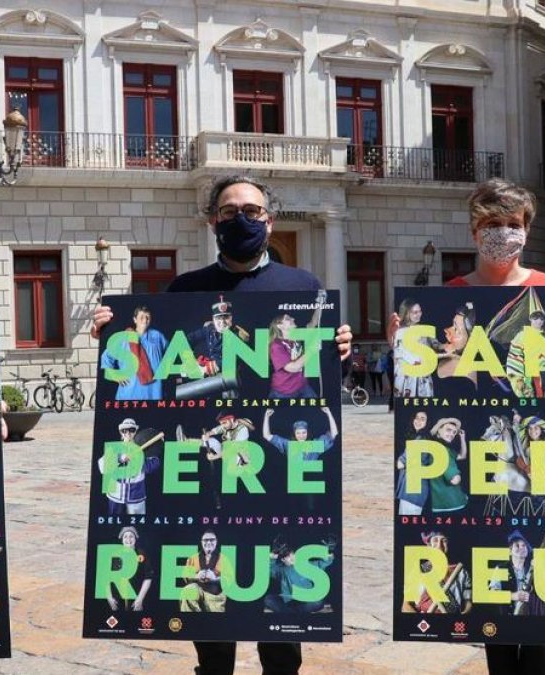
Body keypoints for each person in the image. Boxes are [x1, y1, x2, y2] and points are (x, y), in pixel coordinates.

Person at [91, 175, 353, 675]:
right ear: (213, 221)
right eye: (230, 212)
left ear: (269, 220)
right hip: (209, 462)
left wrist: (338, 347)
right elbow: (160, 371)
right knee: (211, 613)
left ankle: (282, 661)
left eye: (252, 211)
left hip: (270, 463)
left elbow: (315, 373)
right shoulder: (184, 290)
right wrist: (114, 336)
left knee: (275, 595)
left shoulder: (304, 287)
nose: (242, 220)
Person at [388, 179, 545, 675]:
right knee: (493, 597)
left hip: (542, 457)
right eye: (492, 225)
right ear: (474, 231)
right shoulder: (451, 298)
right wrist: (405, 349)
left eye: (513, 225)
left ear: (527, 232)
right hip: (478, 462)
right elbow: (432, 378)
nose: (503, 235)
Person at [100, 306, 168, 400]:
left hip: (154, 393)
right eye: (141, 317)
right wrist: (114, 375)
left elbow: (170, 354)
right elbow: (106, 358)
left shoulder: (157, 336)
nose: (145, 320)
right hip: (129, 394)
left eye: (148, 317)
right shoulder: (123, 338)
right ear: (135, 319)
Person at [98, 418, 161, 515]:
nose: (128, 433)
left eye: (131, 430)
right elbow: (102, 468)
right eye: (124, 430)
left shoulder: (145, 448)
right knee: (114, 522)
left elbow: (153, 465)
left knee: (138, 523)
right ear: (121, 433)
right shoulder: (113, 448)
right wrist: (120, 458)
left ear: (136, 432)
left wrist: (137, 460)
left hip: (136, 496)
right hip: (115, 495)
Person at [400, 530, 472, 614]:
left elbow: (468, 604)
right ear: (429, 545)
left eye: (444, 540)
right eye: (435, 540)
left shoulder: (462, 572)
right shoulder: (418, 571)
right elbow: (405, 606)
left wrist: (462, 615)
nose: (439, 545)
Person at [264, 538, 336, 613]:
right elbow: (268, 568)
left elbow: (325, 561)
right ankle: (290, 612)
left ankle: (291, 613)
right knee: (268, 599)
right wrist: (272, 557)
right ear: (283, 560)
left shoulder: (307, 565)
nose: (291, 557)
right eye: (287, 556)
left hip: (305, 601)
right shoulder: (281, 570)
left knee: (318, 602)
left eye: (292, 554)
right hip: (289, 602)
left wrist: (329, 550)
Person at [488, 530, 545, 617]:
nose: (521, 548)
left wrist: (540, 569)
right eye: (517, 545)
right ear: (510, 551)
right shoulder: (501, 568)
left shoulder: (533, 567)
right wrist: (513, 596)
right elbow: (492, 595)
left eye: (524, 545)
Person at [107, 527, 154, 612]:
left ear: (135, 538)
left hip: (137, 599)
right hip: (117, 600)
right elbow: (106, 578)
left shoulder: (141, 554)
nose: (128, 539)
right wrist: (109, 597)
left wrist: (140, 599)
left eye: (131, 536)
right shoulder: (115, 556)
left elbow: (148, 577)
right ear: (122, 540)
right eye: (125, 536)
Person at [181, 530, 227, 612]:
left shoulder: (224, 559)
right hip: (198, 590)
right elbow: (186, 576)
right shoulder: (193, 558)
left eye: (212, 540)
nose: (209, 542)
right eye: (205, 540)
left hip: (215, 596)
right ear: (201, 542)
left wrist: (214, 578)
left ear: (216, 541)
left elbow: (229, 579)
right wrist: (196, 577)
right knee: (188, 590)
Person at [396, 411, 432, 515]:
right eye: (416, 417)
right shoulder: (423, 439)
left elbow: (400, 464)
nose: (418, 420)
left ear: (427, 423)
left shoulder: (420, 440)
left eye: (422, 418)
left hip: (412, 490)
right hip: (417, 491)